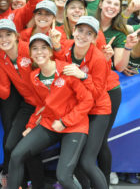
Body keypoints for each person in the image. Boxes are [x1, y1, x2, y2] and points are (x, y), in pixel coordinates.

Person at [8, 33, 93, 189]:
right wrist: (31, 125)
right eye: (34, 49)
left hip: (74, 125)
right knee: (16, 155)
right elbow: (41, 105)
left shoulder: (67, 70)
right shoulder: (34, 77)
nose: (39, 52)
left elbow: (87, 101)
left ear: (51, 51)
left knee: (64, 177)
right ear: (30, 54)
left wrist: (65, 121)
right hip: (51, 123)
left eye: (43, 48)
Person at [0, 19, 46, 189]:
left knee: (31, 148)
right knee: (10, 146)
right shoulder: (1, 56)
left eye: (8, 34)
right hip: (28, 105)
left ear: (17, 36)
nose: (4, 39)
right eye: (0, 36)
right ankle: (23, 184)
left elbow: (49, 71)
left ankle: (37, 185)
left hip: (46, 105)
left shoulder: (29, 48)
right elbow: (4, 92)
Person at [53, 16, 111, 189]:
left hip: (98, 110)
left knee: (87, 162)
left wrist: (83, 76)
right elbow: (58, 60)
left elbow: (97, 92)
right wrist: (55, 46)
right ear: (74, 31)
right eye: (80, 30)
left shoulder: (99, 58)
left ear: (94, 38)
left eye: (89, 33)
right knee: (75, 161)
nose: (83, 36)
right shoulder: (66, 46)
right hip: (77, 109)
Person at [96, 0, 140, 187]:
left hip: (107, 92)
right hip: (84, 89)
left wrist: (128, 48)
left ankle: (103, 181)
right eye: (109, 3)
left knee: (101, 139)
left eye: (116, 4)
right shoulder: (87, 23)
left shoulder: (121, 32)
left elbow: (121, 66)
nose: (112, 7)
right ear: (101, 4)